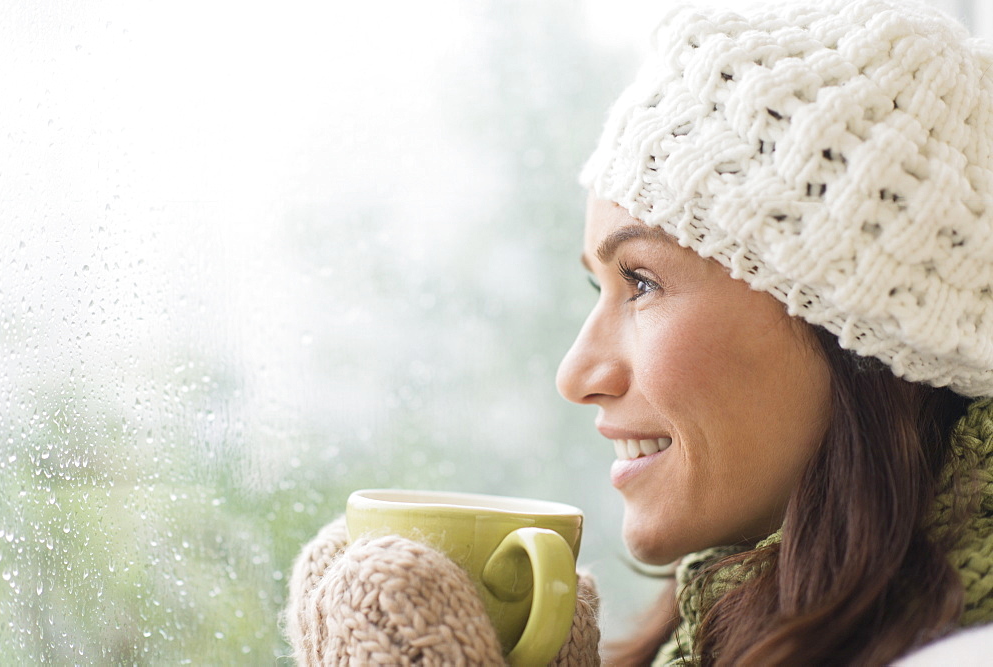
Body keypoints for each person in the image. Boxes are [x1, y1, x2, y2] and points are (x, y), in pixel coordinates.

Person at [286, 0, 993, 663]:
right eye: (599, 285)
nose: (575, 373)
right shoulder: (727, 625)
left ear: (854, 330)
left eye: (642, 282)